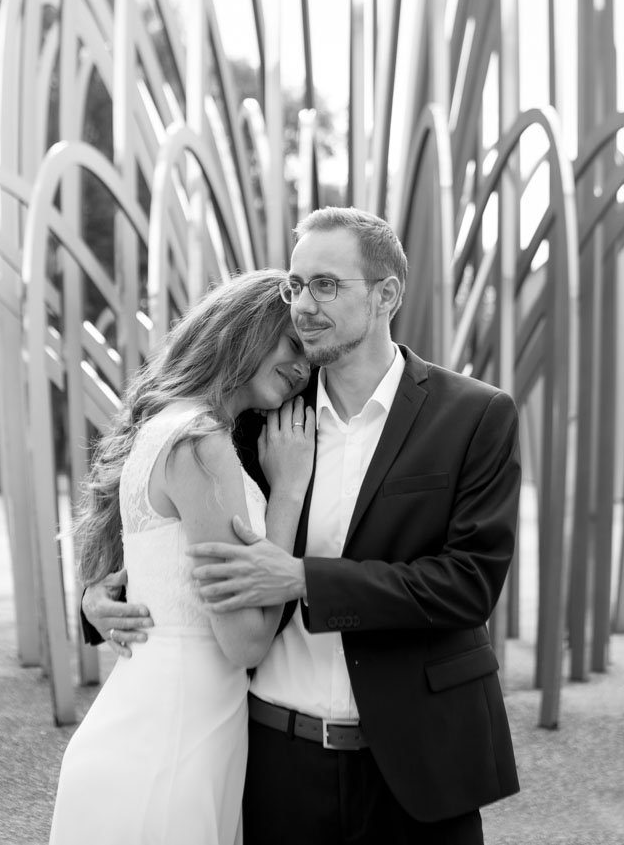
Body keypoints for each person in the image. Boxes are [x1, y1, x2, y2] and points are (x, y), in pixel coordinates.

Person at [84, 207, 522, 844]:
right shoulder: (252, 419)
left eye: (326, 284)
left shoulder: (475, 415)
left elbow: (469, 585)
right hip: (276, 765)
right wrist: (100, 597)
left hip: (418, 763)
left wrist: (303, 580)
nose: (303, 305)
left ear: (385, 296)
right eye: (295, 285)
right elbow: (166, 537)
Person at [48, 268, 314, 845]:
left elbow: (154, 557)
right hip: (173, 740)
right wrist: (288, 492)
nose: (302, 369)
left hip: (163, 725)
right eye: (293, 343)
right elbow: (243, 641)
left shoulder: (169, 425)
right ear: (244, 327)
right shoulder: (202, 441)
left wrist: (112, 590)